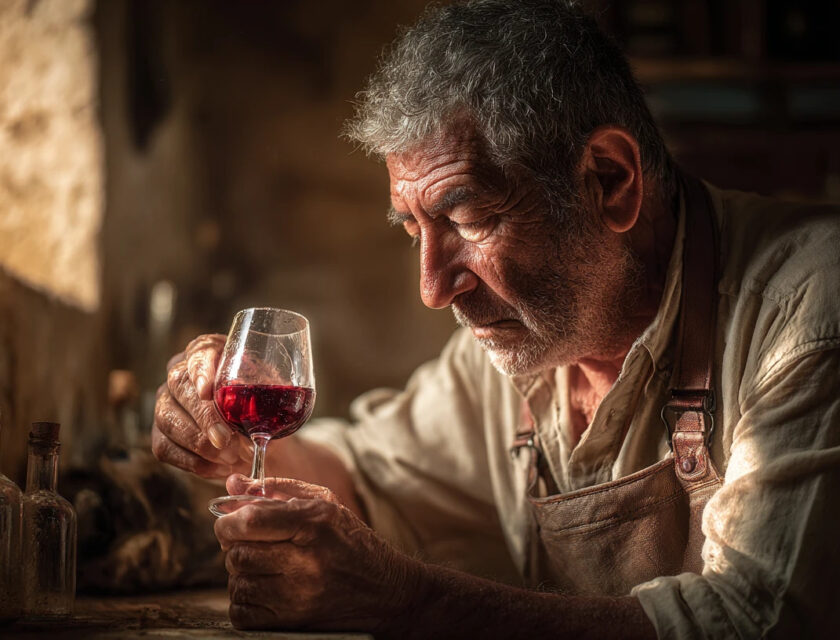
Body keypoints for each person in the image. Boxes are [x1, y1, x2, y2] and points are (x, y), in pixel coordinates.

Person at [152, 1, 840, 637]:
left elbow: (755, 621)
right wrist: (237, 442)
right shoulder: (525, 349)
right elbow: (365, 478)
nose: (433, 287)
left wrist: (405, 598)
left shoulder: (809, 310)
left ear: (609, 181)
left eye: (470, 218)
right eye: (413, 228)